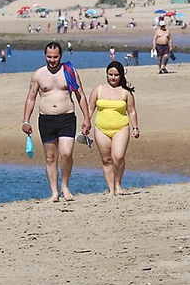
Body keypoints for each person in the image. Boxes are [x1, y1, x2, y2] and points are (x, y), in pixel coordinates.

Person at [21, 42, 90, 203]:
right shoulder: (38, 74)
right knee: (50, 157)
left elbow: (80, 95)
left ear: (61, 56)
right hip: (46, 119)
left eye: (55, 57)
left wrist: (86, 118)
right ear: (45, 56)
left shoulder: (69, 72)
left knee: (66, 153)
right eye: (49, 57)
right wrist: (26, 120)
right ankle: (54, 192)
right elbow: (30, 99)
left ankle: (65, 185)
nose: (52, 60)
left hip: (67, 117)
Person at [89, 61, 140, 195]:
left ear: (121, 76)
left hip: (121, 128)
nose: (113, 78)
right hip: (101, 128)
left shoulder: (126, 93)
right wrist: (86, 123)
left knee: (118, 157)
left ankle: (118, 183)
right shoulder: (98, 90)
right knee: (106, 160)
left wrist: (135, 127)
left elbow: (132, 111)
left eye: (116, 75)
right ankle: (111, 189)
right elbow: (90, 109)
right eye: (110, 74)